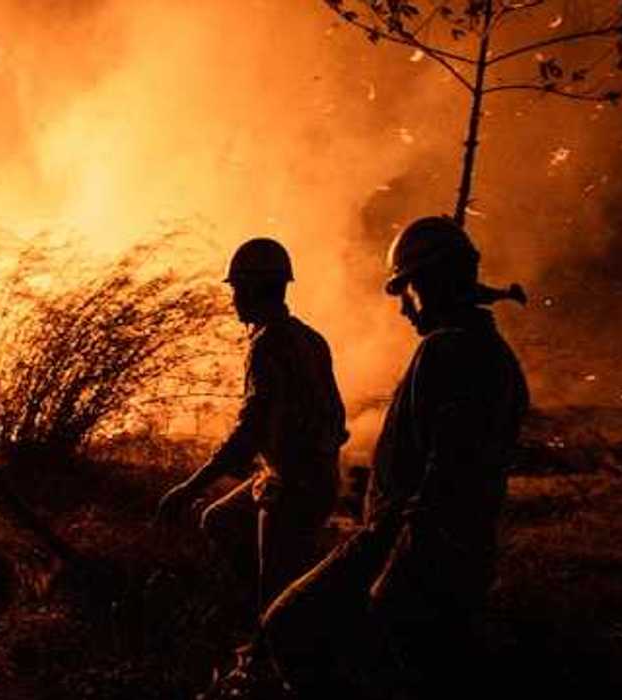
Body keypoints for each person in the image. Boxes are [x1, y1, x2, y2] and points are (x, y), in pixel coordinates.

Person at [257, 216, 529, 698]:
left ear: (431, 282)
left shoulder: (451, 353)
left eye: (406, 289)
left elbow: (447, 486)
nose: (403, 306)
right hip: (447, 553)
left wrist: (392, 580)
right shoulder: (486, 352)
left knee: (291, 626)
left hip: (415, 553)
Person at [157, 237, 348, 611]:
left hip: (292, 488)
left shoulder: (268, 345)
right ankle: (257, 607)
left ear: (255, 289)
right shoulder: (311, 339)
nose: (234, 300)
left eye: (239, 289)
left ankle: (267, 652)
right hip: (311, 478)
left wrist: (190, 486)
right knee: (221, 520)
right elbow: (335, 418)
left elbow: (249, 432)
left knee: (276, 597)